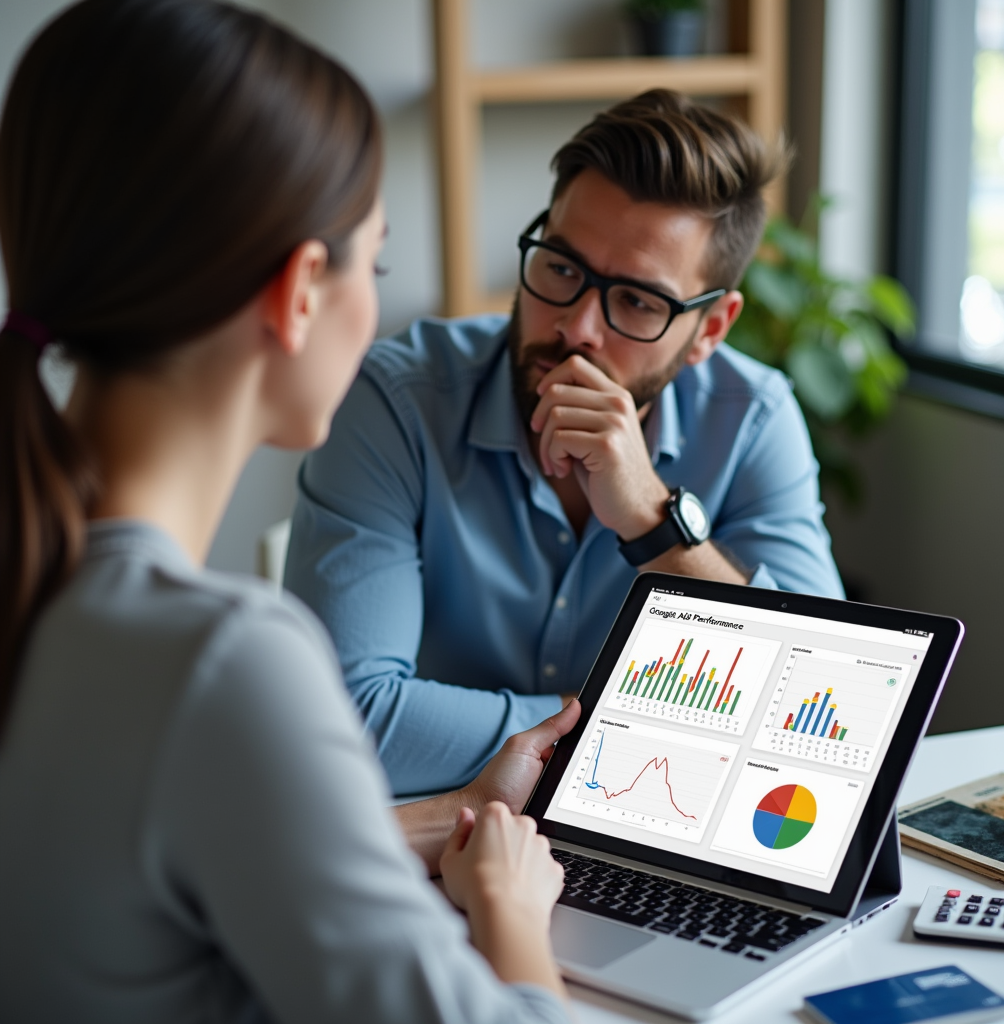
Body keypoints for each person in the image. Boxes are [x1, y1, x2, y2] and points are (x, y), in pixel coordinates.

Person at [0, 2, 579, 1021]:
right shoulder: (219, 659)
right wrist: (510, 909)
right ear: (301, 290)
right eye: (377, 260)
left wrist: (442, 818)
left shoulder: (47, 586)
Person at [285, 91, 846, 797]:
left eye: (638, 301)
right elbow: (345, 723)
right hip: (427, 845)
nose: (578, 326)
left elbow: (820, 710)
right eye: (561, 267)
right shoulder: (395, 402)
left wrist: (652, 522)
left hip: (649, 847)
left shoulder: (753, 420)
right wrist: (642, 736)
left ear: (711, 330)